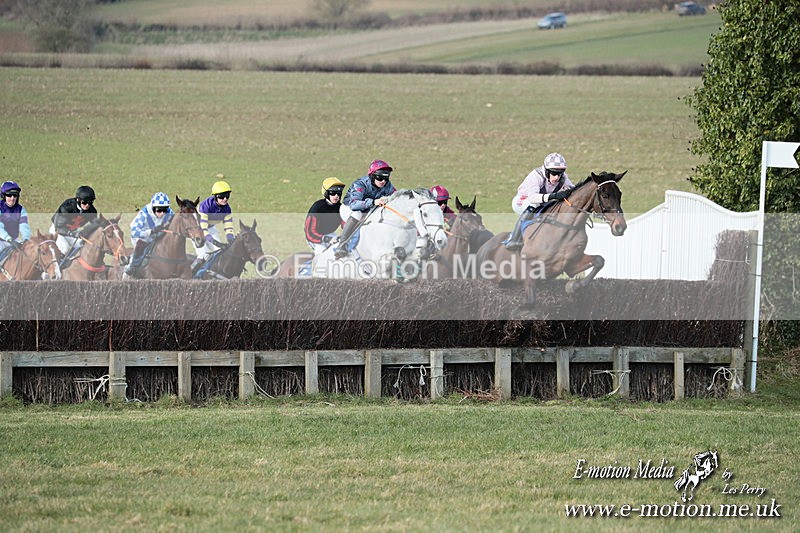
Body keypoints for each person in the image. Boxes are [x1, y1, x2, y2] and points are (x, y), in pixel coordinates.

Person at [506, 152, 575, 251]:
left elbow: (574, 189)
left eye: (559, 174)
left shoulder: (563, 177)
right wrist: (554, 196)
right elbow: (533, 198)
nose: (557, 177)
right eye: (554, 174)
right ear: (546, 171)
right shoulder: (536, 176)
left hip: (542, 201)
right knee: (533, 205)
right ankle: (514, 239)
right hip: (523, 200)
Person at [334, 159, 396, 258]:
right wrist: (373, 202)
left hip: (368, 209)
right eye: (380, 177)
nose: (383, 181)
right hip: (348, 208)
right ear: (372, 176)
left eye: (386, 178)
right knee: (357, 214)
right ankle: (341, 245)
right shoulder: (360, 184)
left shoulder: (387, 185)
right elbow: (354, 205)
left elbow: (395, 197)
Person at [123, 192, 174, 279]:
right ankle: (132, 264)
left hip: (157, 235)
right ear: (153, 207)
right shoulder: (144, 214)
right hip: (142, 237)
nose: (162, 213)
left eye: (164, 210)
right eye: (159, 210)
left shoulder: (169, 212)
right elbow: (134, 233)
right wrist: (151, 231)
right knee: (141, 244)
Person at [194, 179, 235, 263]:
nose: (225, 199)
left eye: (227, 195)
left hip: (211, 228)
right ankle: (193, 275)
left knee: (219, 253)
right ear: (215, 196)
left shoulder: (227, 209)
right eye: (221, 196)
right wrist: (213, 241)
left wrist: (230, 238)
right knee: (204, 255)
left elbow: (228, 226)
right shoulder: (205, 206)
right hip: (197, 230)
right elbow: (203, 228)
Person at [50, 185, 98, 255]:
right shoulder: (67, 207)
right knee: (65, 248)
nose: (87, 205)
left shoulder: (92, 211)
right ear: (78, 200)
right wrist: (71, 233)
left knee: (82, 248)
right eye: (84, 202)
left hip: (73, 232)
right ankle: (58, 265)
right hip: (57, 231)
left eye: (90, 202)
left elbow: (95, 226)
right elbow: (58, 229)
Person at [305, 177, 345, 254]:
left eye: (339, 193)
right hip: (315, 238)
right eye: (333, 193)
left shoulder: (341, 208)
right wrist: (327, 239)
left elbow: (345, 223)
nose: (336, 196)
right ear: (326, 193)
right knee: (322, 254)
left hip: (330, 234)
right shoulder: (317, 208)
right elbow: (310, 233)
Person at [0, 181, 31, 255]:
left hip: (14, 240)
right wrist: (8, 239)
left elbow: (24, 225)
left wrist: (26, 239)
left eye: (15, 195)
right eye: (9, 195)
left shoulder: (21, 209)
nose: (12, 198)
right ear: (4, 196)